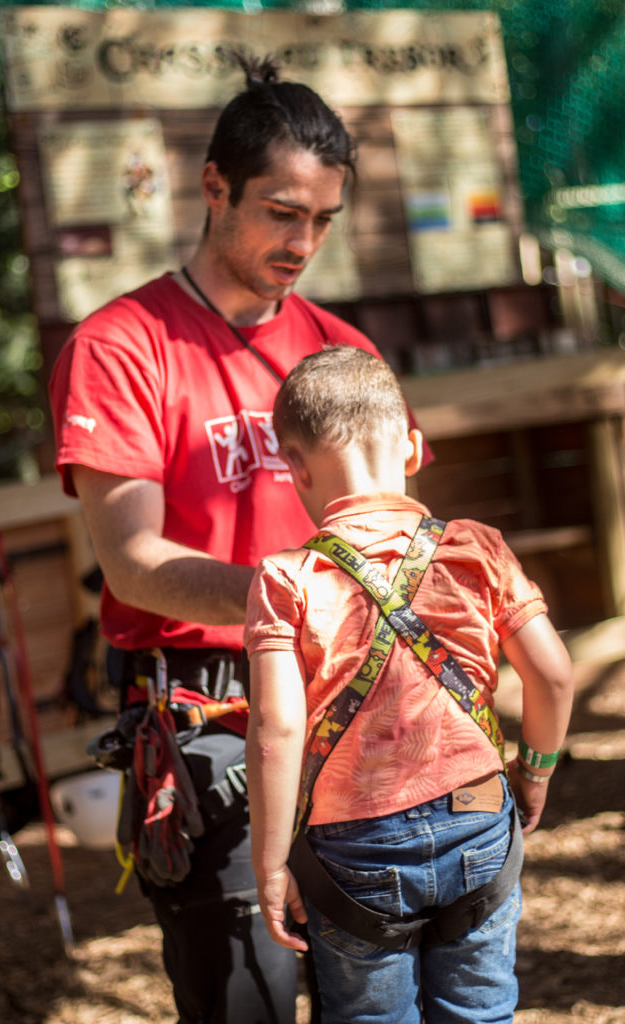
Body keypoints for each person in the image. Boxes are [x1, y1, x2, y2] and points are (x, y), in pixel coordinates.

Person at [49, 55, 429, 1024]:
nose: (303, 240)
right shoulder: (122, 345)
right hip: (206, 716)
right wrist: (290, 598)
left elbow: (394, 532)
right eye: (280, 210)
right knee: (248, 998)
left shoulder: (342, 352)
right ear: (213, 185)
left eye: (322, 218)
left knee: (379, 1002)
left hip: (358, 708)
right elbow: (133, 560)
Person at [244, 346, 575, 1024]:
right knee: (479, 1012)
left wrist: (271, 863)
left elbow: (276, 730)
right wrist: (534, 771)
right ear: (413, 447)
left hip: (353, 843)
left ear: (295, 469)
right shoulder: (475, 547)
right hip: (481, 807)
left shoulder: (286, 580)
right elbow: (552, 672)